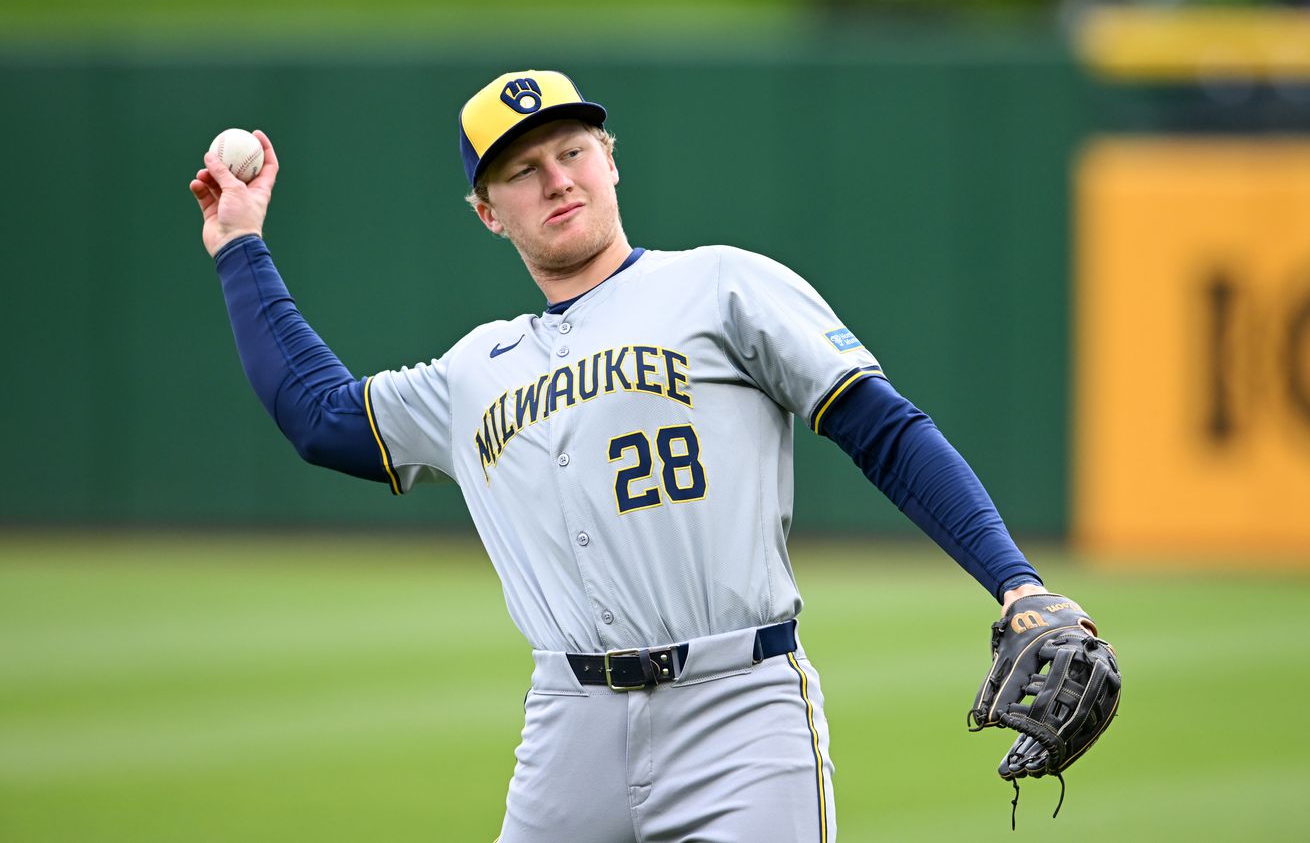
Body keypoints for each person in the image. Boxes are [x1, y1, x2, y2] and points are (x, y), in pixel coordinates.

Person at [189, 69, 1053, 843]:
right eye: (523, 170)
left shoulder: (722, 284)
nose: (556, 178)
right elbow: (321, 416)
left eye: (572, 151)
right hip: (567, 729)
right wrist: (240, 245)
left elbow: (886, 429)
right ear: (489, 212)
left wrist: (1016, 583)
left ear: (610, 161)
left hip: (739, 710)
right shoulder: (471, 372)